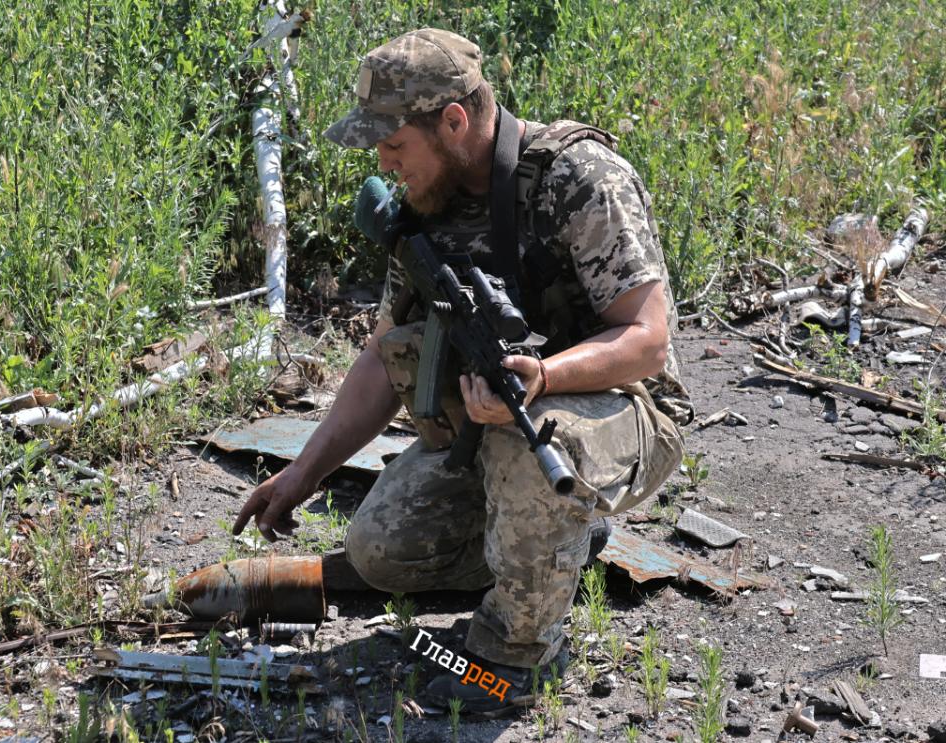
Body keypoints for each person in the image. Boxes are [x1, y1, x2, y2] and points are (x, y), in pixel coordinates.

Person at [233, 28, 689, 712]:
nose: (387, 166)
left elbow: (648, 339)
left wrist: (541, 377)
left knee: (527, 439)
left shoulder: (579, 178)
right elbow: (383, 357)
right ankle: (560, 540)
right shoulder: (428, 207)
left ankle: (518, 654)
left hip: (626, 411)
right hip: (499, 421)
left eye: (395, 147)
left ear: (453, 121)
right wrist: (303, 473)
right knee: (380, 549)